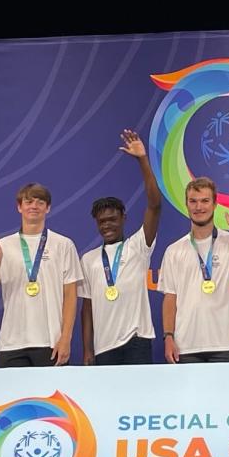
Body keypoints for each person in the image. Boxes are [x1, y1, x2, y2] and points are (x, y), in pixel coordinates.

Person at [79, 130, 162, 366]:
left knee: (140, 402)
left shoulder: (138, 246)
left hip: (137, 340)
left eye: (112, 219)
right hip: (104, 345)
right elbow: (87, 308)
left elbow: (155, 205)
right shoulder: (89, 259)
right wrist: (88, 349)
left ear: (123, 218)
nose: (107, 225)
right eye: (102, 221)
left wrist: (142, 160)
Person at [0, 183, 82, 367]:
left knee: (50, 397)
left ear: (48, 208)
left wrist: (65, 338)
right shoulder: (2, 246)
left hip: (51, 343)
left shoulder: (63, 245)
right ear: (19, 207)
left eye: (40, 202)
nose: (34, 206)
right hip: (11, 344)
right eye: (28, 201)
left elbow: (70, 295)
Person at [158, 178, 229, 363]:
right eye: (193, 201)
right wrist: (168, 336)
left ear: (215, 204)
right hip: (186, 346)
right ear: (186, 204)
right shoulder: (174, 250)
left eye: (205, 201)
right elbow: (170, 298)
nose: (199, 207)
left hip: (225, 344)